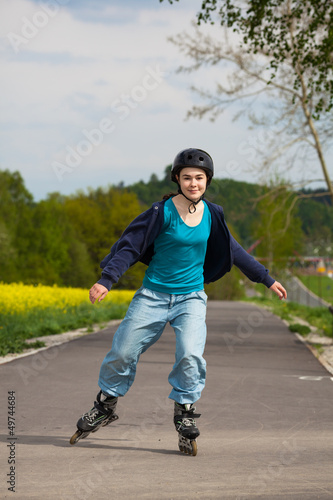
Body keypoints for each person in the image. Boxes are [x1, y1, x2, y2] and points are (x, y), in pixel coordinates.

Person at [69, 148, 287, 455]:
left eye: (199, 178)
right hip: (153, 295)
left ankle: (184, 412)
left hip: (191, 298)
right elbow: (130, 247)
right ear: (177, 179)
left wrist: (266, 278)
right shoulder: (161, 212)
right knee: (123, 350)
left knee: (190, 354)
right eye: (187, 178)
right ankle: (106, 405)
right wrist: (107, 279)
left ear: (207, 181)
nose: (193, 183)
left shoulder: (213, 214)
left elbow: (235, 252)